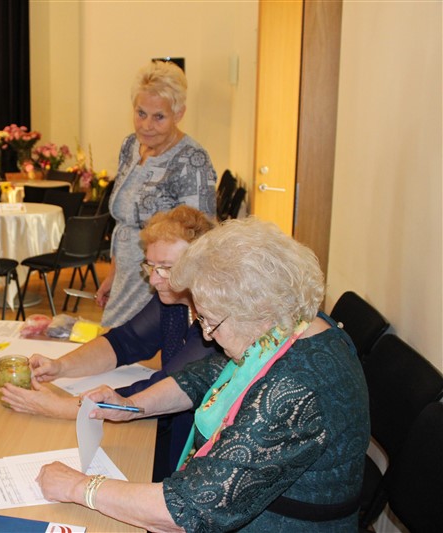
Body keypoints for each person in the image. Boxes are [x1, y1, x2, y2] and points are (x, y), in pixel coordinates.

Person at [36, 217, 369, 532]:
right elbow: (203, 376)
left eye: (210, 321)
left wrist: (79, 487)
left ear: (256, 310)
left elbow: (186, 510)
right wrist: (132, 406)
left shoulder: (294, 387)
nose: (207, 335)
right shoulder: (290, 324)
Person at [1, 206, 218, 481]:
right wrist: (60, 366)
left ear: (200, 267)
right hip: (164, 424)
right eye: (151, 266)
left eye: (166, 269)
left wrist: (62, 407)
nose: (154, 279)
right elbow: (124, 342)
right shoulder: (175, 299)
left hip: (194, 450)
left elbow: (167, 387)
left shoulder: (216, 320)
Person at [96, 60, 217, 328]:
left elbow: (201, 240)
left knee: (132, 345)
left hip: (162, 285)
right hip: (126, 277)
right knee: (114, 342)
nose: (146, 125)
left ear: (179, 113)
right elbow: (123, 224)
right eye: (141, 113)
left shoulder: (192, 159)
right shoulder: (131, 145)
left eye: (158, 116)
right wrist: (113, 275)